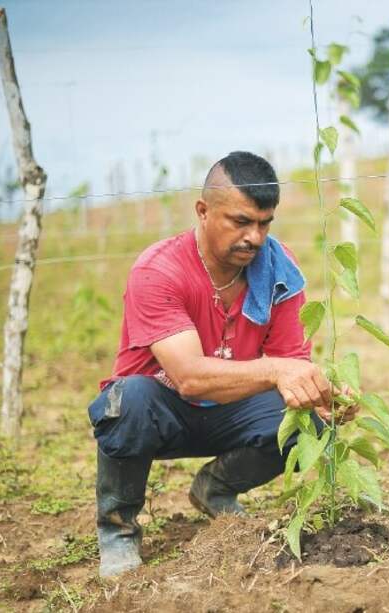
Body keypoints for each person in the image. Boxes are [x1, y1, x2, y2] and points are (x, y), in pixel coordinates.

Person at [87, 151, 357, 578]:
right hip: (161, 411)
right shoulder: (159, 270)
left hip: (232, 409)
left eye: (264, 224)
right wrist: (277, 371)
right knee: (128, 400)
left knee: (308, 421)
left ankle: (215, 488)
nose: (255, 237)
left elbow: (291, 364)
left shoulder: (279, 270)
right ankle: (117, 529)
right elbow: (190, 378)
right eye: (241, 221)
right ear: (203, 211)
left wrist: (320, 397)